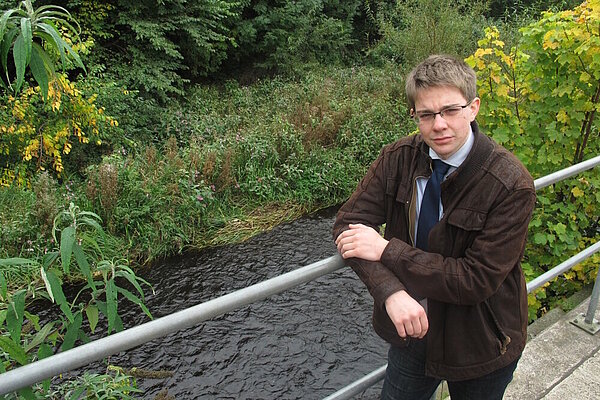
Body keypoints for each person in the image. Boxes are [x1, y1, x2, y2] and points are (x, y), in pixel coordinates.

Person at [332, 54, 536, 400]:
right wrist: (390, 292)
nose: (438, 125)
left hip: (481, 342)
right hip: (412, 329)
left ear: (473, 108)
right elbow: (348, 226)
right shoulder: (397, 158)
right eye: (426, 114)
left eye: (450, 111)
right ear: (415, 116)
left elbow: (475, 279)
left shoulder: (510, 184)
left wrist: (385, 249)